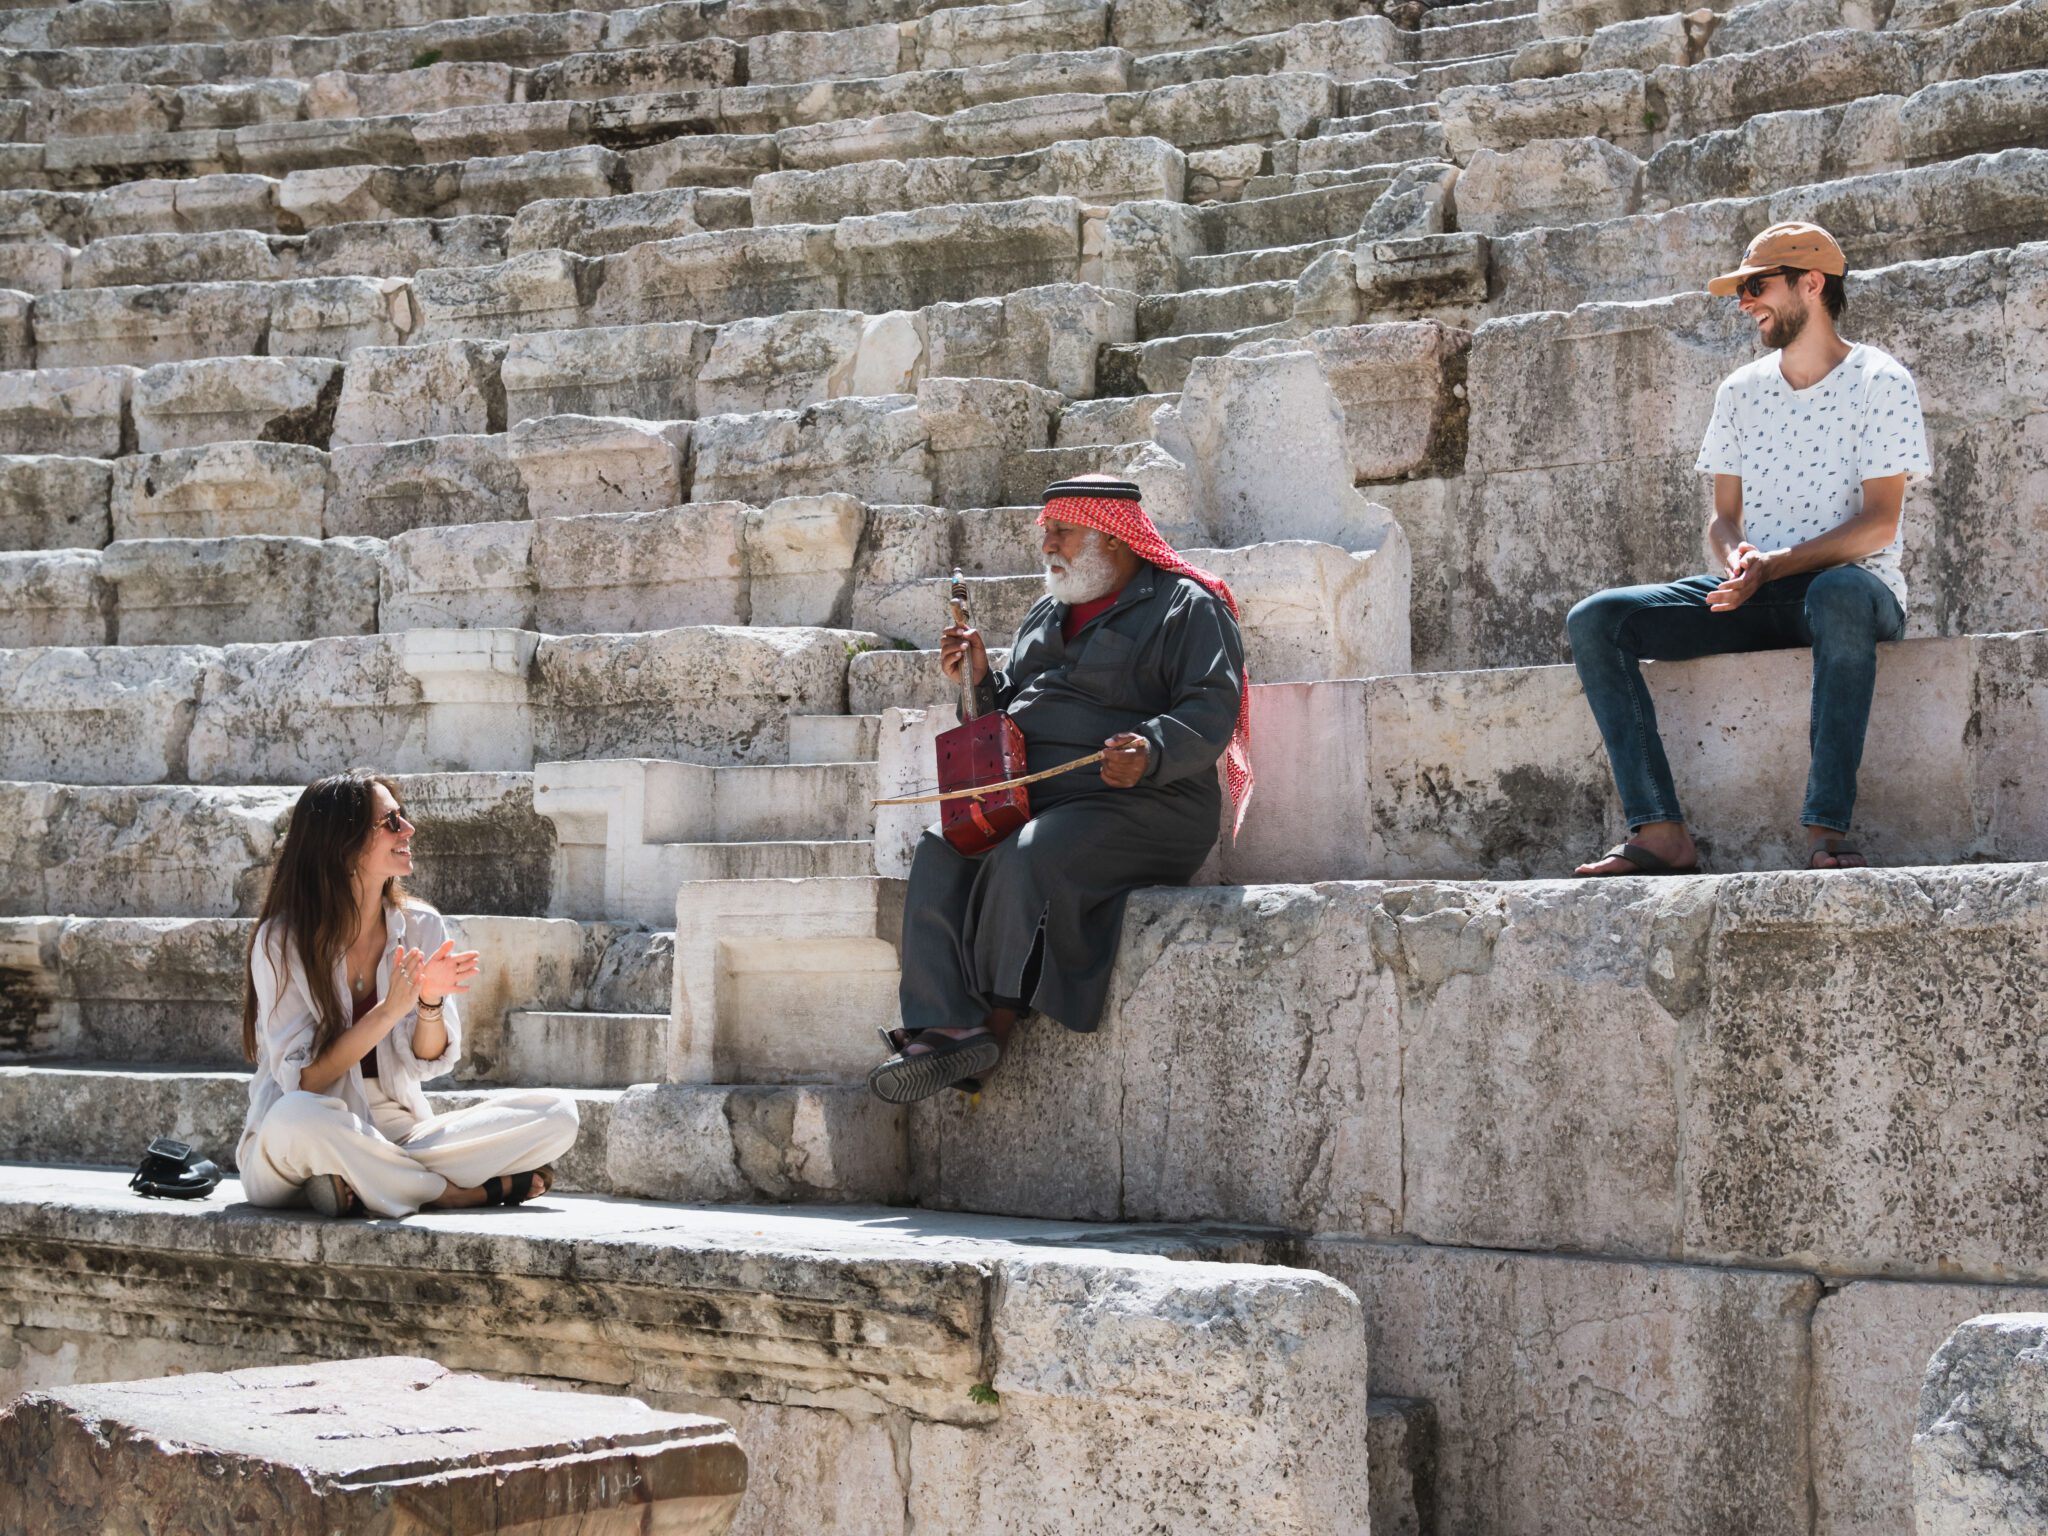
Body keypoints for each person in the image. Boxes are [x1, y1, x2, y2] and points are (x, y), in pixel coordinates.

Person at [869, 475, 1251, 1103]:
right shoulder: (1046, 612)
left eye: (1062, 531)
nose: (1047, 544)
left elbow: (1212, 709)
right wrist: (980, 680)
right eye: (1045, 531)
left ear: (1114, 539)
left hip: (1146, 803)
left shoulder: (1187, 607)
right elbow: (1004, 713)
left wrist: (1151, 751)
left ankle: (990, 1032)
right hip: (1034, 793)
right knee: (943, 846)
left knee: (1030, 855)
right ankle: (940, 1027)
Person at [1566, 222, 1932, 876]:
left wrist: (1777, 563)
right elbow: (1723, 519)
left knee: (1839, 591)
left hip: (1853, 593)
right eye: (1740, 291)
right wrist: (1740, 559)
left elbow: (1879, 525)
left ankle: (1827, 833)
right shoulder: (1739, 392)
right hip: (1756, 589)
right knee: (1597, 619)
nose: (1743, 302)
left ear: (1811, 283)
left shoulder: (1881, 380)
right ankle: (1659, 831)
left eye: (1756, 286)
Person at [238, 769, 580, 1217]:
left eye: (403, 817)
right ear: (342, 846)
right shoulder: (281, 942)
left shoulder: (421, 925)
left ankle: (363, 1181)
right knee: (295, 1117)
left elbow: (429, 1059)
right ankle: (451, 1193)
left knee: (558, 1114)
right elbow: (304, 1082)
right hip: (308, 1129)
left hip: (393, 1125)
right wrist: (387, 1012)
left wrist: (429, 1002)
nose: (409, 830)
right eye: (391, 823)